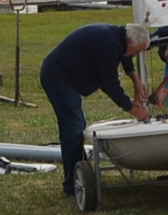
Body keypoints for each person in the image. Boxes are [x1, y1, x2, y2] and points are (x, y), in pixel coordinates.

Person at [37, 21, 151, 196]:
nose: (134, 56)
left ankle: (80, 176)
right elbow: (109, 83)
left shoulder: (117, 37)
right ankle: (74, 184)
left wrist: (136, 81)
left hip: (69, 77)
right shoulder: (109, 44)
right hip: (59, 78)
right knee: (73, 130)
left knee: (77, 128)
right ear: (129, 41)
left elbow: (125, 56)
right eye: (136, 52)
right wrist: (132, 109)